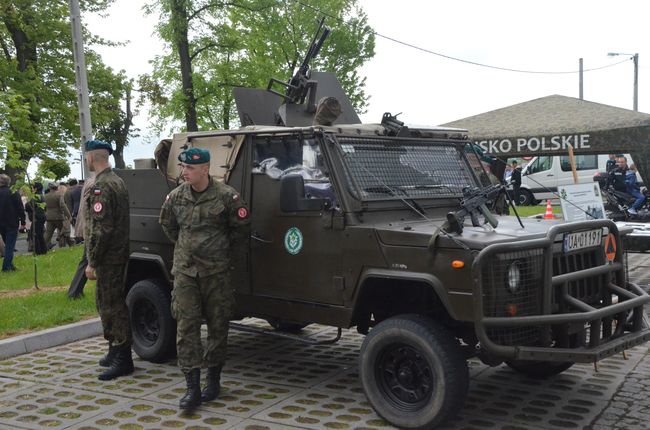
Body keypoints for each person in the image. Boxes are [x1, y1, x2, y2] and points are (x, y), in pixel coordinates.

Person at [159, 147, 250, 411]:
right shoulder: (175, 197)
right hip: (186, 272)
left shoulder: (226, 196)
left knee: (218, 326)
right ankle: (192, 387)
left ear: (205, 169)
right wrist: (189, 248)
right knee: (186, 327)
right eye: (183, 167)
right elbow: (168, 226)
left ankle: (213, 379)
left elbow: (241, 229)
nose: (184, 172)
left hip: (216, 273)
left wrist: (218, 251)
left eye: (189, 168)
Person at [83, 139, 133, 381]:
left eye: (86, 157)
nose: (86, 160)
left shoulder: (102, 186)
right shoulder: (117, 180)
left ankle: (123, 357)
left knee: (112, 305)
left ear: (92, 157)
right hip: (118, 252)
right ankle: (114, 349)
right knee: (108, 302)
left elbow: (101, 229)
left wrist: (92, 261)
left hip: (109, 256)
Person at [0, 174, 26, 272]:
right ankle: (6, 267)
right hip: (11, 223)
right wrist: (23, 222)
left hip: (1, 223)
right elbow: (20, 208)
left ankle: (10, 266)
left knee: (8, 245)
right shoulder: (13, 192)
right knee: (10, 246)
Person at [44, 182, 74, 248]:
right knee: (64, 232)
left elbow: (44, 207)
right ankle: (71, 244)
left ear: (50, 188)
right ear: (57, 187)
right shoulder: (59, 195)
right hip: (58, 217)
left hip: (49, 217)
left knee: (48, 234)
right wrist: (69, 216)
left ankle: (42, 247)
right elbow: (63, 206)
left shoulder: (45, 196)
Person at [25, 182, 47, 255]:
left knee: (34, 234)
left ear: (35, 188)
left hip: (37, 217)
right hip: (41, 216)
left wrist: (27, 202)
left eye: (32, 188)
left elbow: (29, 206)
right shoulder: (41, 196)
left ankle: (39, 251)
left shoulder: (36, 196)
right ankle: (43, 250)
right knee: (39, 234)